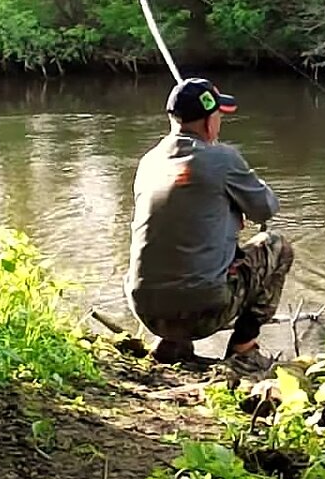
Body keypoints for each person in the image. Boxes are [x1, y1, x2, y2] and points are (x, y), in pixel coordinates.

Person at [124, 77, 293, 374]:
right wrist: (248, 184)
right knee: (277, 246)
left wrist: (227, 211)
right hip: (202, 312)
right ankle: (243, 348)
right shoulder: (222, 158)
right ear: (207, 122)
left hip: (145, 309)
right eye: (218, 116)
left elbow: (181, 215)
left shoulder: (148, 161)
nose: (220, 122)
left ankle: (171, 342)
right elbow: (266, 207)